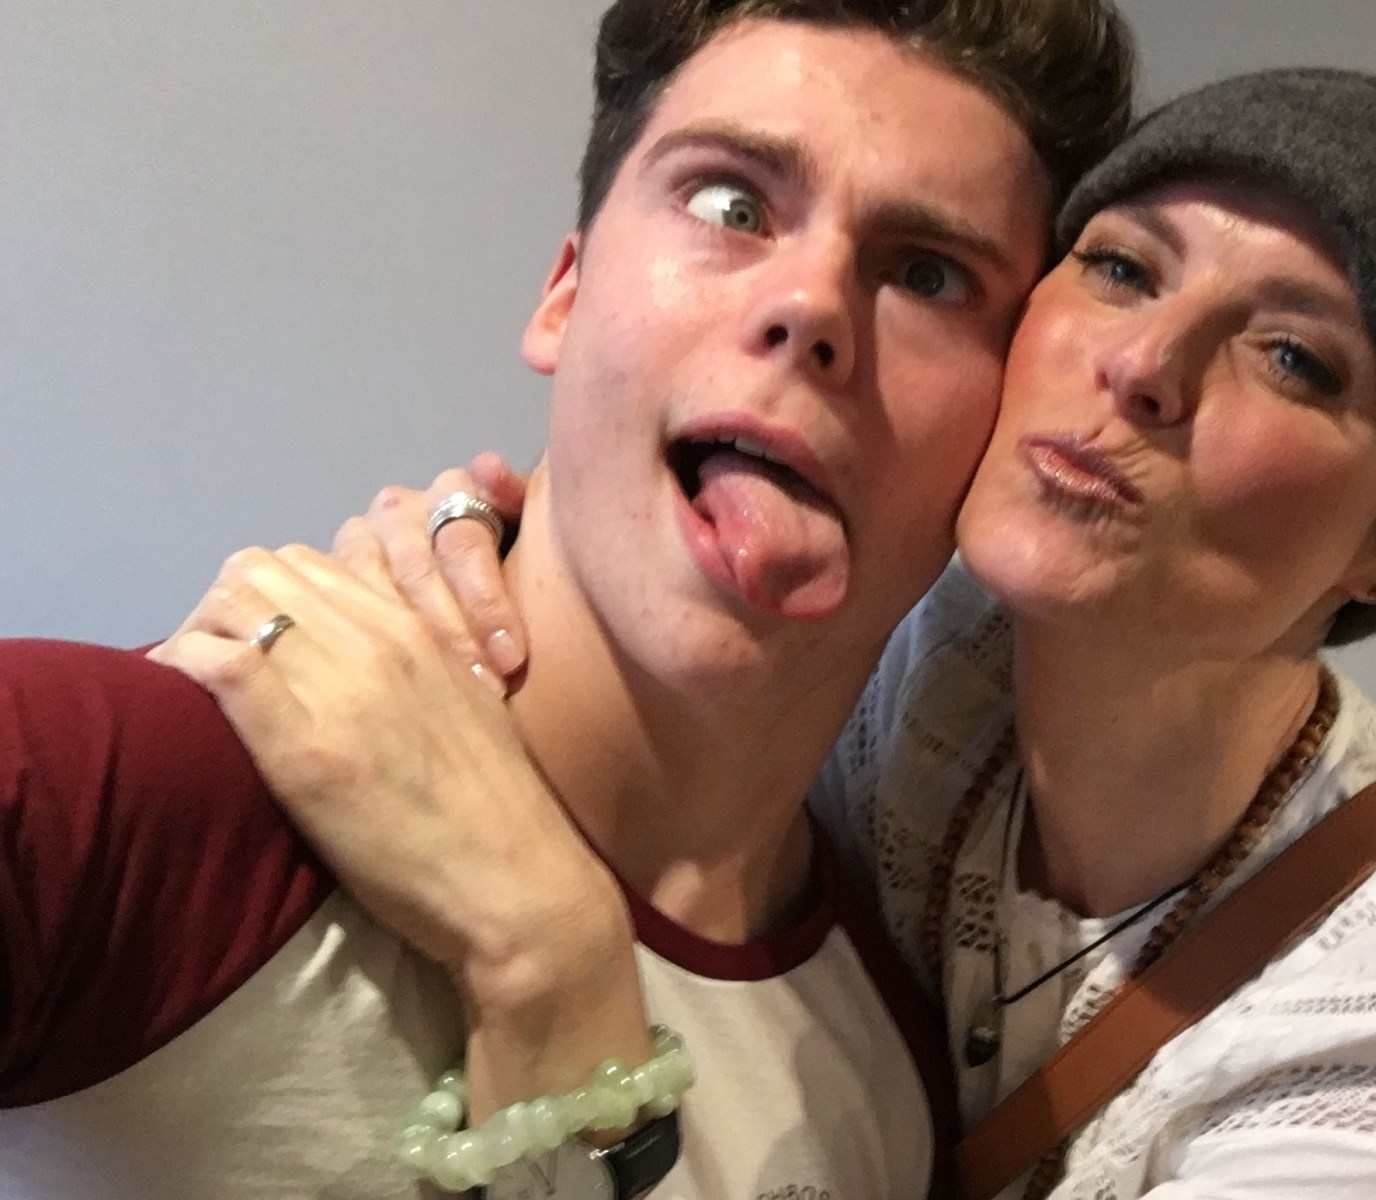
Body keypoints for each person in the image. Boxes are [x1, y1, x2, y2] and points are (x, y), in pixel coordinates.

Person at [183, 69, 1376, 1197]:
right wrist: (466, 547)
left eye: (1292, 356)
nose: (1144, 366)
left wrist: (547, 957)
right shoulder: (912, 640)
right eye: (1122, 267)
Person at [0, 1, 1134, 1197]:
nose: (811, 307)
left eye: (927, 274)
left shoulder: (887, 1080)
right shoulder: (102, 791)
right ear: (564, 294)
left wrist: (549, 953)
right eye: (730, 204)